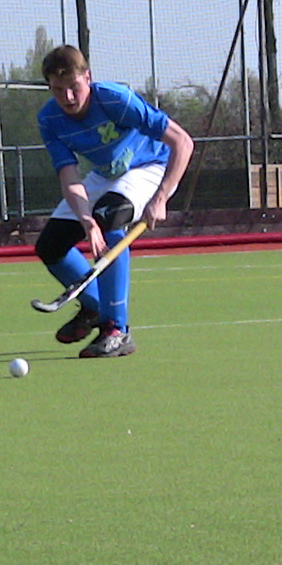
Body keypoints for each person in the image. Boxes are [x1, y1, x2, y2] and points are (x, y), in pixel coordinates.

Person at [33, 44, 194, 358]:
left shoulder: (115, 100)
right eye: (57, 90)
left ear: (88, 78)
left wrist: (161, 197)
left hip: (149, 167)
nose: (67, 98)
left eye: (73, 87)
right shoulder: (49, 119)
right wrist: (85, 220)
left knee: (110, 215)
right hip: (106, 174)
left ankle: (117, 330)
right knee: (50, 246)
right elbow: (69, 176)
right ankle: (95, 307)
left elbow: (183, 142)